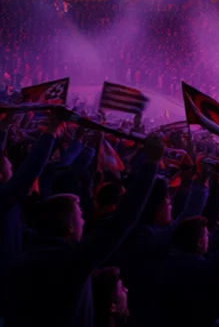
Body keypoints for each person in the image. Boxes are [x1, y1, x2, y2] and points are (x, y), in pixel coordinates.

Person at [4, 135, 163, 327]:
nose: (84, 219)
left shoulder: (19, 259)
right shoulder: (73, 261)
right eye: (79, 217)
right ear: (69, 228)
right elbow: (123, 219)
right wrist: (151, 164)